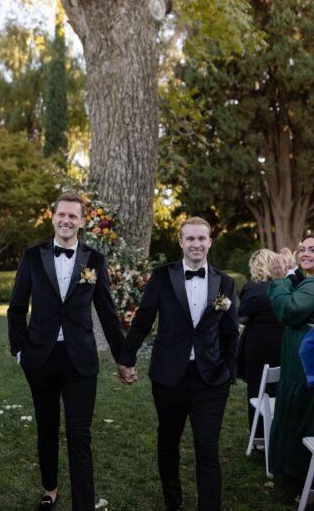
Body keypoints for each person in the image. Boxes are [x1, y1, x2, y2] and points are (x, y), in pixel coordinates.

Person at [7, 192, 125, 511]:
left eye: (73, 216)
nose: (66, 220)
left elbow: (108, 313)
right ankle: (51, 489)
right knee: (47, 428)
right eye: (62, 214)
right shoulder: (32, 257)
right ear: (53, 217)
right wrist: (19, 350)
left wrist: (123, 358)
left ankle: (83, 504)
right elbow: (16, 308)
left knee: (78, 433)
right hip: (41, 359)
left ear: (82, 222)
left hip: (80, 362)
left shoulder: (95, 261)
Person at [118, 216, 238, 511]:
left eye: (201, 238)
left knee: (207, 449)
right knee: (168, 443)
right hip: (168, 377)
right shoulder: (162, 276)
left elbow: (230, 333)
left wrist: (230, 371)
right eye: (190, 239)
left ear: (209, 242)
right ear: (181, 242)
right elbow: (144, 317)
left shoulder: (225, 283)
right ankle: (174, 502)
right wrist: (126, 357)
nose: (196, 244)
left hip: (211, 380)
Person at [268, 235, 314, 480]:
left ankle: (300, 475)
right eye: (303, 249)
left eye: (312, 250)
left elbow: (289, 310)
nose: (306, 253)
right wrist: (291, 273)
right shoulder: (308, 281)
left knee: (300, 411)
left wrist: (278, 279)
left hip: (303, 364)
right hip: (298, 360)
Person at [238, 249, 283, 440]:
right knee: (278, 388)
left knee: (257, 389)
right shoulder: (285, 286)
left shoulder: (253, 288)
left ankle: (259, 438)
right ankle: (278, 433)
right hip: (282, 343)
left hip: (258, 346)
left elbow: (243, 317)